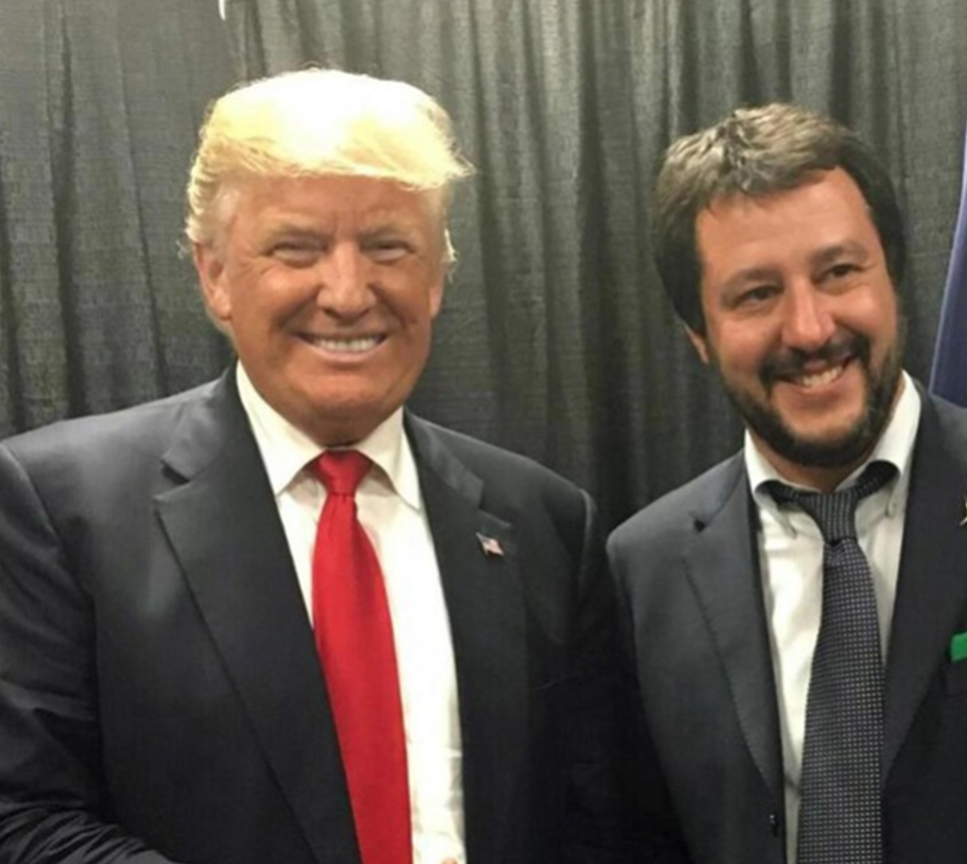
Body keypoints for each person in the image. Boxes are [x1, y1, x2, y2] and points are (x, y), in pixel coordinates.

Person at [0, 69, 620, 864]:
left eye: (389, 247)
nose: (348, 292)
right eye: (297, 248)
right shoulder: (60, 509)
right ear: (215, 275)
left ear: (436, 277)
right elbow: (26, 815)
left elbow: (594, 823)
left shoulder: (545, 522)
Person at [609, 103, 967, 864]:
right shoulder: (643, 568)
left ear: (892, 276)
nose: (810, 328)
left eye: (838, 272)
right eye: (756, 294)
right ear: (699, 334)